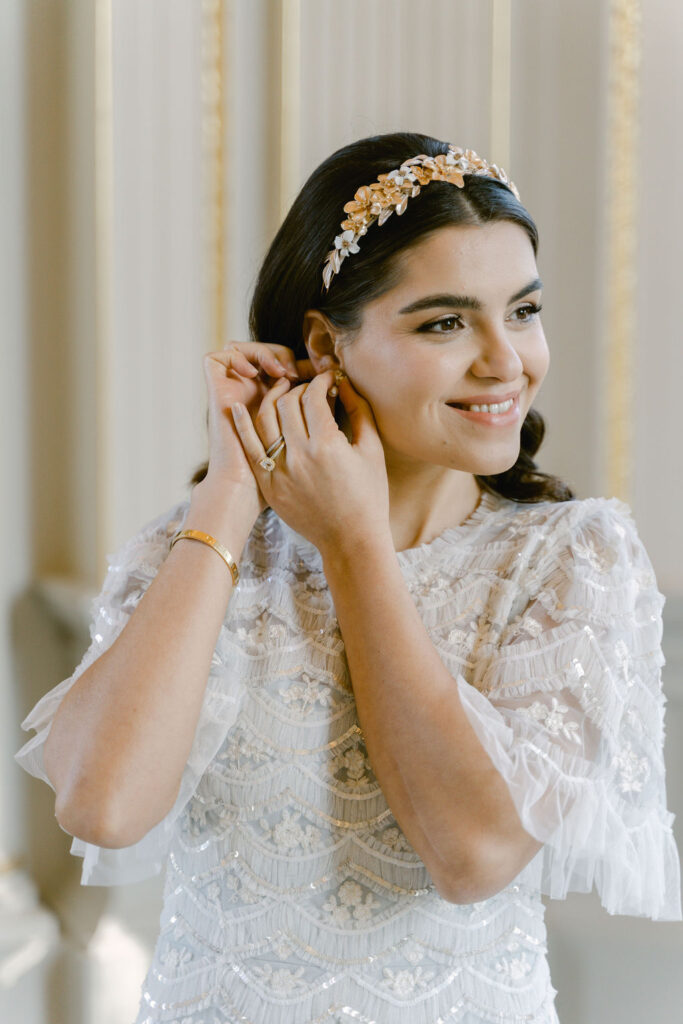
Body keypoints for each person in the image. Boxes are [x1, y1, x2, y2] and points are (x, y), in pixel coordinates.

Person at [16, 132, 682, 1024]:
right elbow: (102, 806)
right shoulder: (199, 550)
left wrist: (354, 544)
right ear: (325, 345)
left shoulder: (571, 558)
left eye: (522, 311)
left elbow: (470, 854)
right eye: (445, 322)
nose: (503, 360)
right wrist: (230, 488)